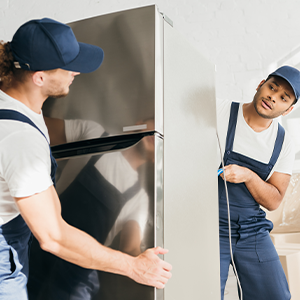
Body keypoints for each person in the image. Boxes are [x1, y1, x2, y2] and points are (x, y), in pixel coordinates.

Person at [0, 18, 171, 300]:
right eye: (68, 65)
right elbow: (53, 235)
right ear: (39, 77)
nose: (76, 71)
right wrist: (134, 267)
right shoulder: (20, 139)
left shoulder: (23, 111)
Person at [217, 65, 300, 300]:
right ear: (260, 84)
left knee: (276, 296)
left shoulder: (283, 144)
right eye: (272, 87)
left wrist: (250, 176)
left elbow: (274, 201)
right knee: (203, 292)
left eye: (283, 98)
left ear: (288, 110)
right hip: (211, 226)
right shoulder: (220, 111)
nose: (273, 97)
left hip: (252, 230)